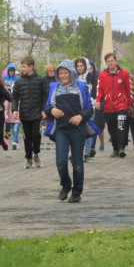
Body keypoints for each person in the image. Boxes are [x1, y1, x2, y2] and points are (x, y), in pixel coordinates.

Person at [44, 59, 95, 203]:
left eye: (66, 72)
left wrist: (80, 116)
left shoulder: (81, 87)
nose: (63, 75)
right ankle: (66, 185)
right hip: (61, 129)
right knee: (60, 161)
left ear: (71, 72)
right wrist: (52, 110)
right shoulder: (54, 87)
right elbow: (47, 107)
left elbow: (89, 110)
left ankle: (77, 192)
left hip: (78, 129)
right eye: (60, 73)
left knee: (77, 162)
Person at [12, 56, 49, 168]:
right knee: (27, 137)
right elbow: (14, 97)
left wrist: (44, 109)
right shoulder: (18, 82)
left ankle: (36, 153)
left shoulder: (41, 80)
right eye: (22, 66)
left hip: (37, 113)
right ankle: (28, 158)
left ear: (31, 67)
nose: (22, 68)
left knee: (36, 134)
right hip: (24, 113)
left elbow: (45, 96)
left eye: (24, 66)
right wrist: (14, 109)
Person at [95, 53, 133, 157]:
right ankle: (115, 148)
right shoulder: (102, 75)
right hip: (108, 107)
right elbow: (99, 90)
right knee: (111, 128)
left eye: (112, 60)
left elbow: (129, 89)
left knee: (121, 126)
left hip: (121, 105)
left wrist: (130, 103)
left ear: (116, 61)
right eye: (108, 61)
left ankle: (121, 148)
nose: (110, 63)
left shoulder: (124, 73)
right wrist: (98, 100)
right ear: (106, 63)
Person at [2, 64, 21, 148]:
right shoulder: (4, 78)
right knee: (13, 128)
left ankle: (15, 142)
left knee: (16, 129)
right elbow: (2, 87)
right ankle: (13, 139)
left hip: (16, 98)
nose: (11, 72)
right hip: (7, 97)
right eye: (10, 71)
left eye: (12, 71)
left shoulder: (17, 79)